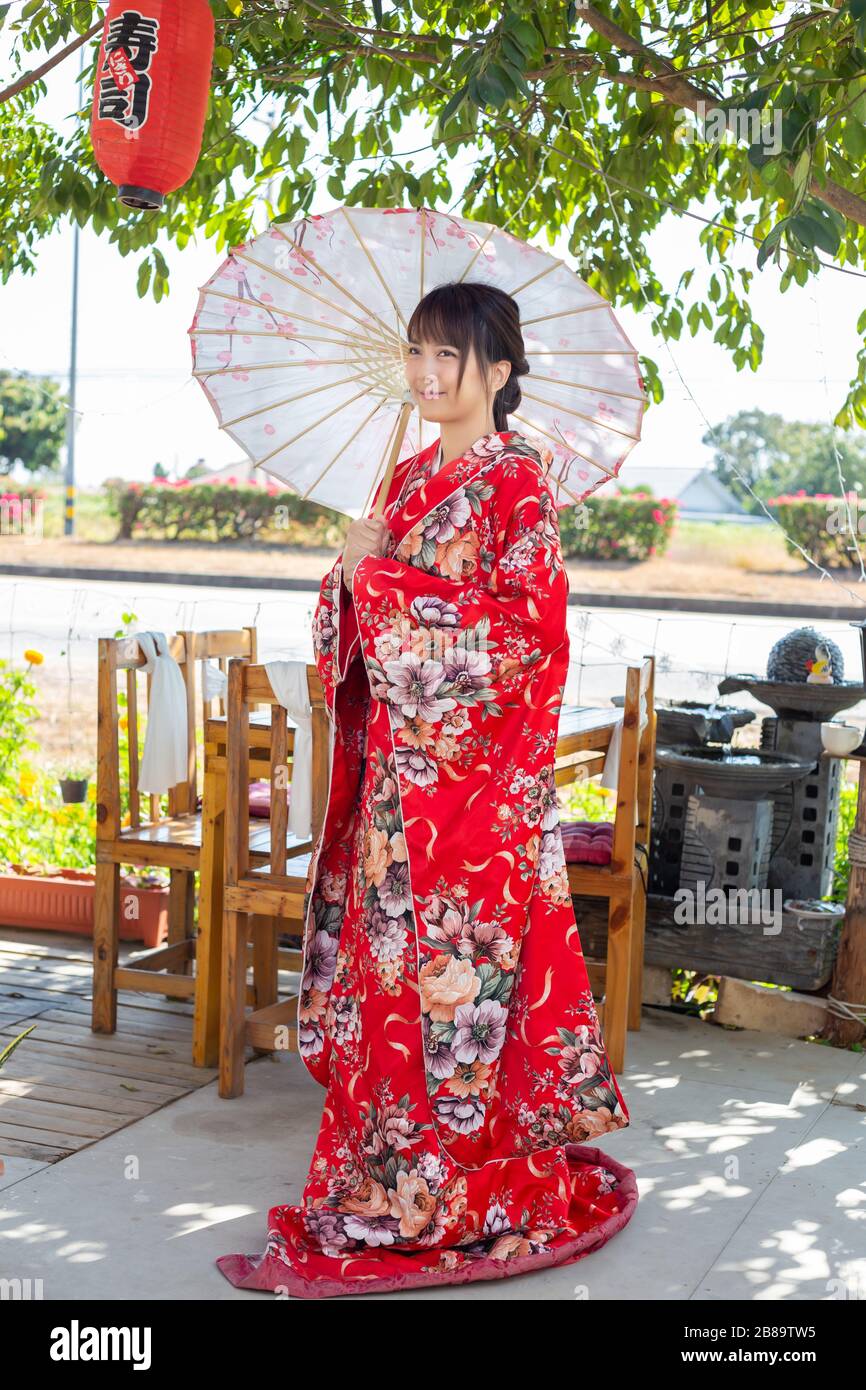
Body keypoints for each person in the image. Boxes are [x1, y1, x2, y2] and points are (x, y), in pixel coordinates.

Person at [216, 280, 638, 1299]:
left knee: (467, 993)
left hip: (477, 803)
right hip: (395, 798)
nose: (426, 374)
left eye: (447, 355)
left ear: (497, 370)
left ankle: (478, 1195)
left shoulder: (513, 489)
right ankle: (388, 1181)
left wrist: (386, 584)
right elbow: (353, 630)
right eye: (416, 353)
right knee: (388, 990)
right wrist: (346, 575)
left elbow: (529, 641)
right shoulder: (404, 480)